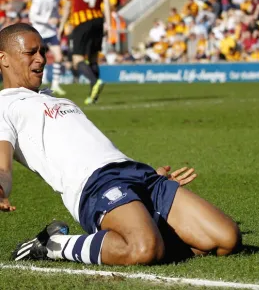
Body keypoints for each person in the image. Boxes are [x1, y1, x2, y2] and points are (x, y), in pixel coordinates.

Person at [0, 23, 242, 266]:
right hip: (94, 184)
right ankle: (54, 245)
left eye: (42, 51)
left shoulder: (53, 97)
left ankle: (147, 227)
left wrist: (149, 176)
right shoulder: (4, 106)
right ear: (4, 59)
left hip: (138, 173)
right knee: (142, 249)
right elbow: (3, 167)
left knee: (226, 239)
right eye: (31, 53)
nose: (41, 59)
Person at [58, 0, 110, 105]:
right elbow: (106, 4)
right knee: (93, 58)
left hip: (81, 21)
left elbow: (68, 6)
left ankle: (94, 82)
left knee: (77, 59)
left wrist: (62, 26)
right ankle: (93, 96)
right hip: (98, 20)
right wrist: (109, 26)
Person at [29, 0, 66, 96]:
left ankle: (55, 84)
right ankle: (37, 81)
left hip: (51, 32)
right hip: (39, 31)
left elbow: (55, 12)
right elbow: (32, 15)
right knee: (37, 58)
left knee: (58, 57)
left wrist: (58, 21)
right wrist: (47, 20)